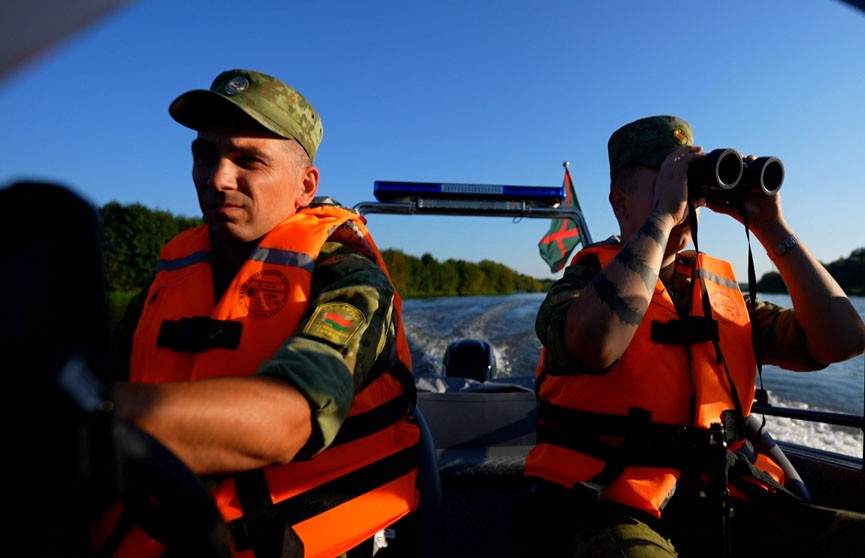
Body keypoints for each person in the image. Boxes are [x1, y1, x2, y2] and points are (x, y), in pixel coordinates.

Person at [91, 69, 421, 558]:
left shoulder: (350, 280)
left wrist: (81, 414)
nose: (218, 178)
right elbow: (101, 370)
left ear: (305, 185)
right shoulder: (170, 278)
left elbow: (289, 418)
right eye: (205, 154)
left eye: (249, 160)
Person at [518, 115, 865, 558]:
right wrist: (663, 215)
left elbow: (844, 339)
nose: (685, 191)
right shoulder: (583, 285)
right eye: (667, 176)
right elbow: (596, 342)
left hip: (725, 497)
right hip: (608, 504)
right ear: (620, 203)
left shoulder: (718, 293)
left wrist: (770, 226)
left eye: (687, 177)